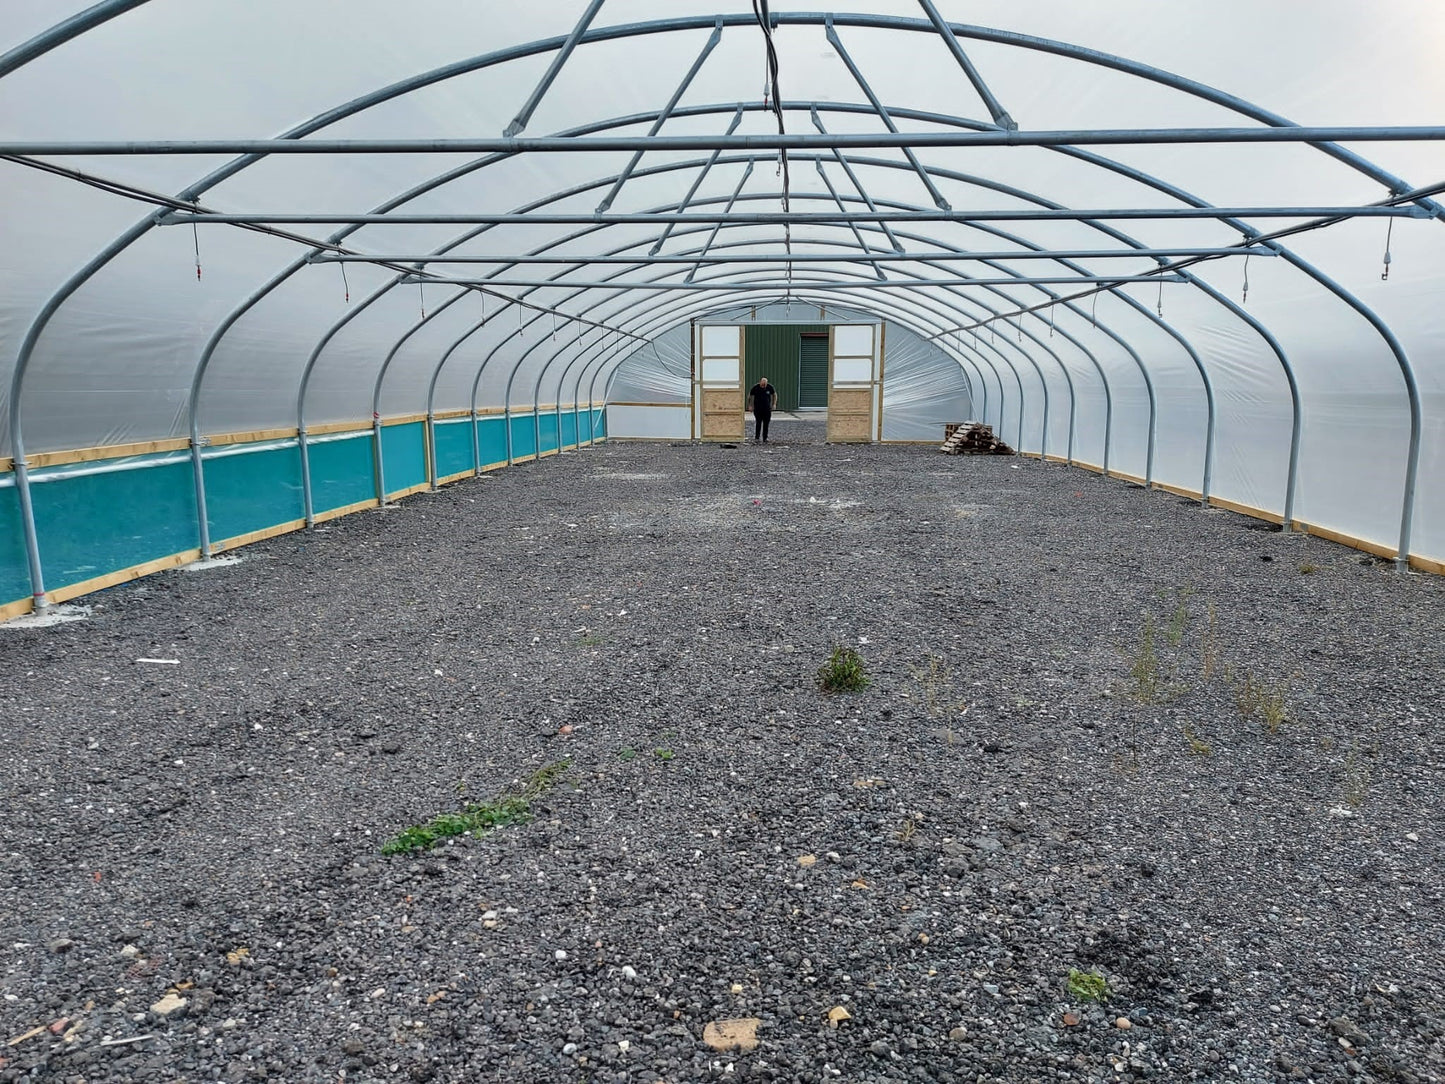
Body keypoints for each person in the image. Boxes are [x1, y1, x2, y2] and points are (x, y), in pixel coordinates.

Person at [748, 376, 777, 443]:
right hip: (758, 408)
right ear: (760, 382)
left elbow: (774, 394)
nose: (763, 385)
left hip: (767, 409)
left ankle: (765, 438)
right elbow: (750, 396)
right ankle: (757, 438)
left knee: (766, 423)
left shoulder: (770, 387)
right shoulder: (755, 388)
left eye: (765, 384)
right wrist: (750, 405)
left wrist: (774, 404)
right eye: (762, 384)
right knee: (758, 422)